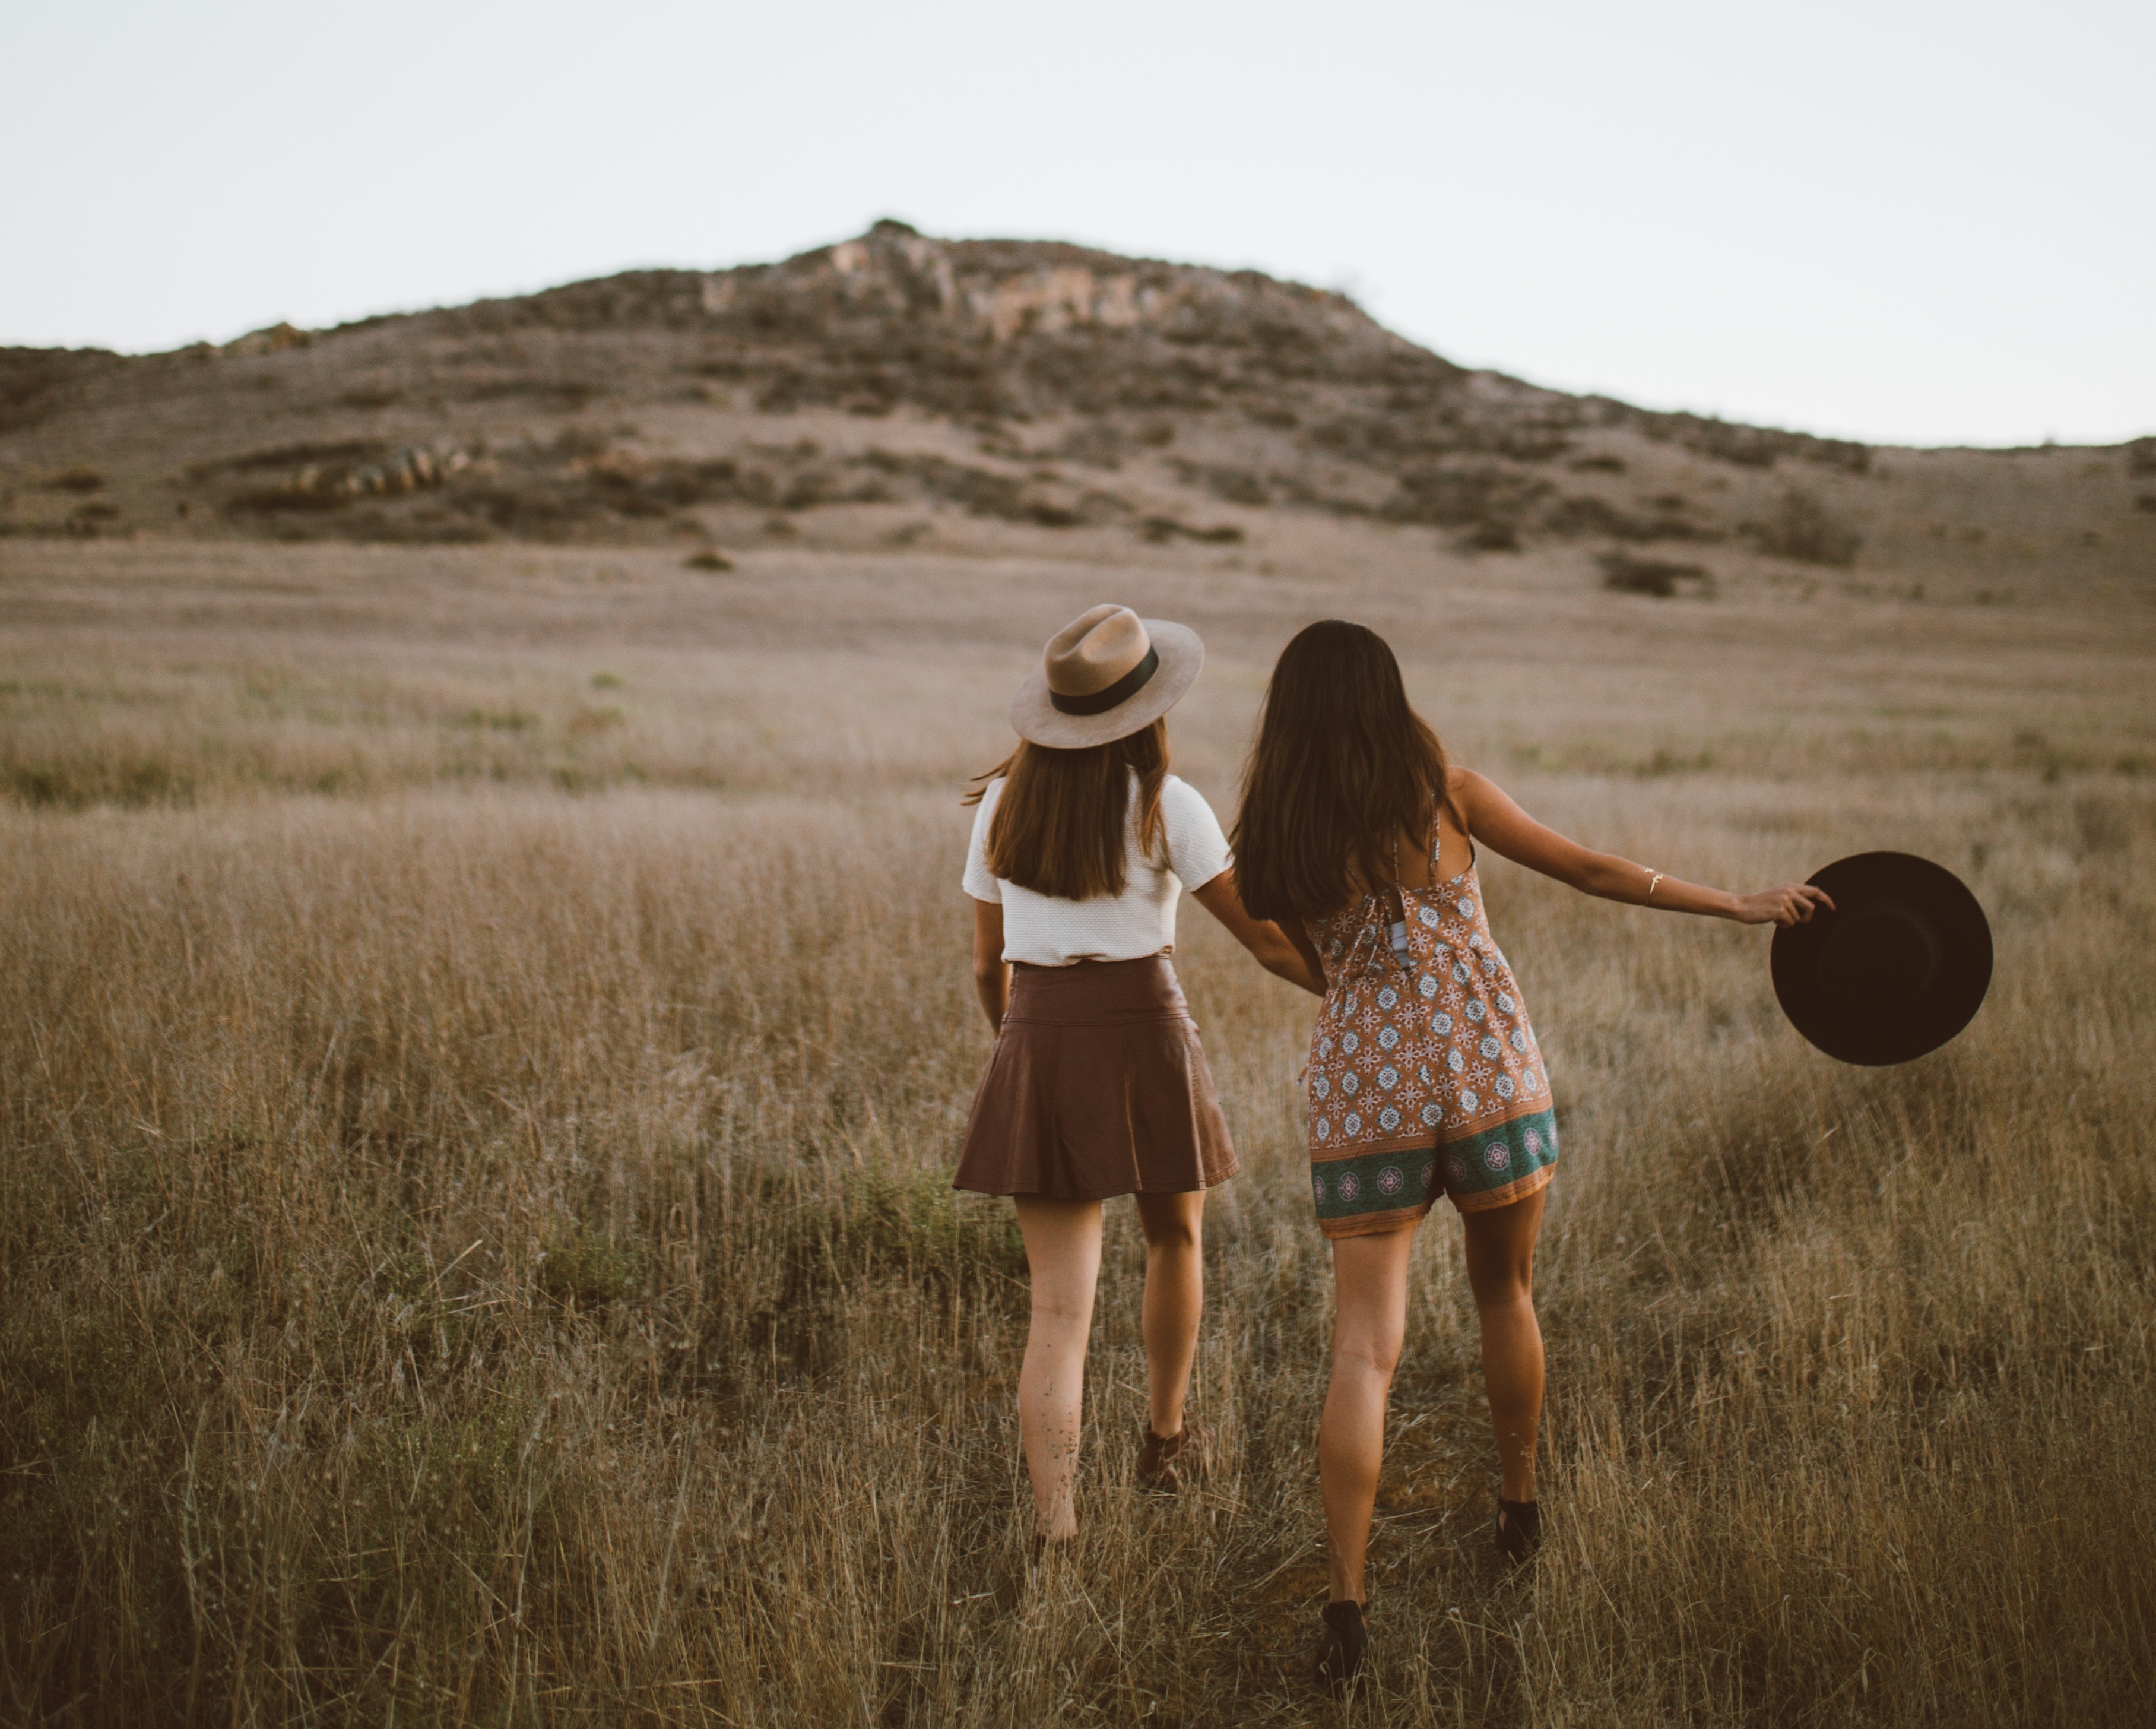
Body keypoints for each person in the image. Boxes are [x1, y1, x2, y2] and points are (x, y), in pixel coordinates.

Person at [1230, 619, 1831, 1690]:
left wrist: (1363, 1000)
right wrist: (1736, 903)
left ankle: (1346, 1608)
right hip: (1486, 1066)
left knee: (1365, 1350)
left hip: (1365, 1082)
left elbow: (1284, 943)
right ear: (1389, 696)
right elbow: (1592, 870)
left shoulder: (1273, 828)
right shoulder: (1447, 792)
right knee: (1506, 1293)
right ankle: (1519, 1510)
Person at [955, 604, 1321, 1550]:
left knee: (1055, 1310)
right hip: (1148, 1030)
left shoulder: (1005, 804)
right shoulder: (1170, 804)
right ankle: (1164, 1437)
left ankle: (1059, 1534)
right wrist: (1356, 988)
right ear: (1146, 709)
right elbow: (1266, 943)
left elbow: (985, 963)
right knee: (1176, 1239)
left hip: (1038, 1032)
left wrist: (1023, 1048)